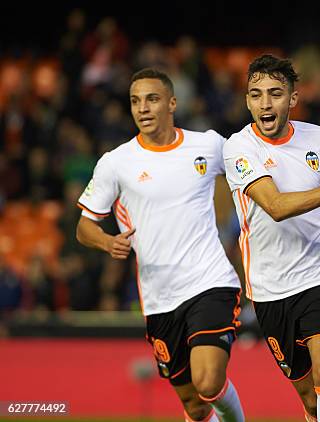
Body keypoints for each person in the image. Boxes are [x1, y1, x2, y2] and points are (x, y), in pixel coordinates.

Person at [76, 68, 245, 422]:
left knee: (209, 381)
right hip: (159, 299)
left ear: (171, 103)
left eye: (152, 99)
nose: (143, 108)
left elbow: (250, 172)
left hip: (209, 282)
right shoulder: (116, 162)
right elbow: (84, 226)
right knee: (195, 407)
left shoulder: (209, 145)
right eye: (135, 101)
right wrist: (107, 242)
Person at [222, 54, 320, 421]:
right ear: (247, 101)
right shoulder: (239, 147)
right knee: (310, 401)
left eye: (275, 93)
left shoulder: (317, 138)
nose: (265, 103)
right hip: (270, 288)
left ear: (292, 98)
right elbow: (274, 205)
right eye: (256, 94)